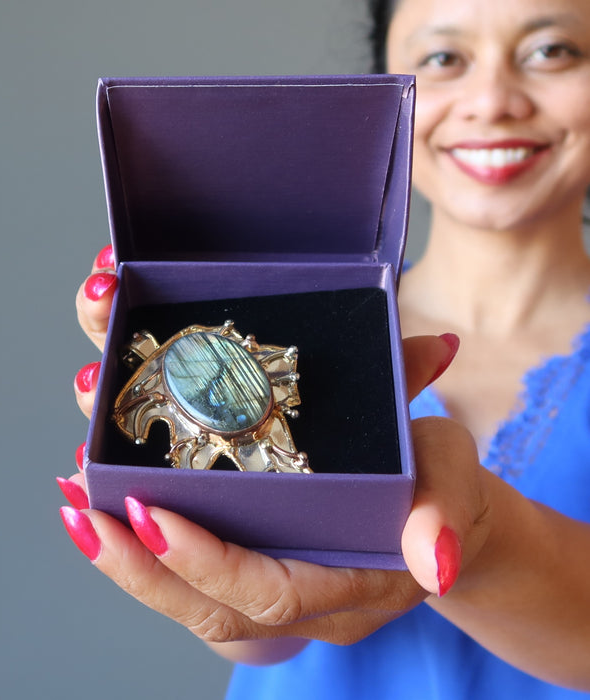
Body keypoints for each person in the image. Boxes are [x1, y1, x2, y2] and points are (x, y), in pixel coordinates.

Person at [58, 0, 590, 696]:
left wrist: (486, 543)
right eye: (443, 58)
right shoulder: (303, 325)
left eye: (551, 51)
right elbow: (266, 637)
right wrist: (228, 579)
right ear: (392, 87)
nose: (492, 100)